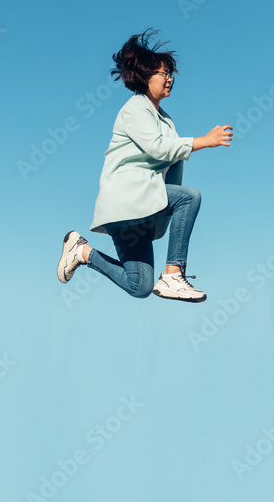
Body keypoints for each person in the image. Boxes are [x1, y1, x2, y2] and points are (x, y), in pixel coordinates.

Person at [57, 29, 232, 302]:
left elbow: (171, 161)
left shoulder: (163, 118)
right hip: (128, 198)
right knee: (190, 197)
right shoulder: (135, 108)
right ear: (145, 76)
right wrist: (205, 141)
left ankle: (81, 252)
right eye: (163, 73)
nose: (170, 78)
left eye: (170, 73)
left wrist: (159, 213)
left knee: (139, 286)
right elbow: (159, 148)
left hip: (137, 211)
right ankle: (174, 274)